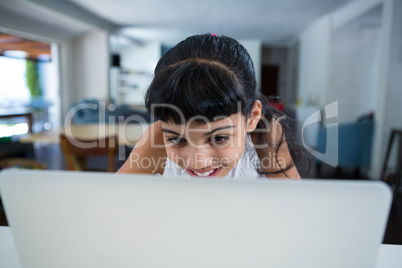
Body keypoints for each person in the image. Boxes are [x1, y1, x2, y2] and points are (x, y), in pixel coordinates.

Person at [118, 34, 309, 179]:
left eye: (219, 138)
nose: (198, 162)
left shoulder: (266, 135)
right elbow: (111, 198)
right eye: (177, 140)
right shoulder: (156, 138)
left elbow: (292, 207)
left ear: (252, 117)